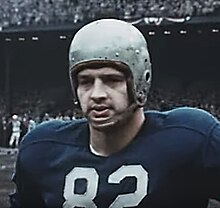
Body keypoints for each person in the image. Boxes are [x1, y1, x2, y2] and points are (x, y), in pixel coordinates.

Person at [10, 19, 220, 208]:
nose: (97, 94)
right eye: (86, 82)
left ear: (139, 81)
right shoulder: (42, 147)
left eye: (112, 80)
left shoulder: (192, 138)